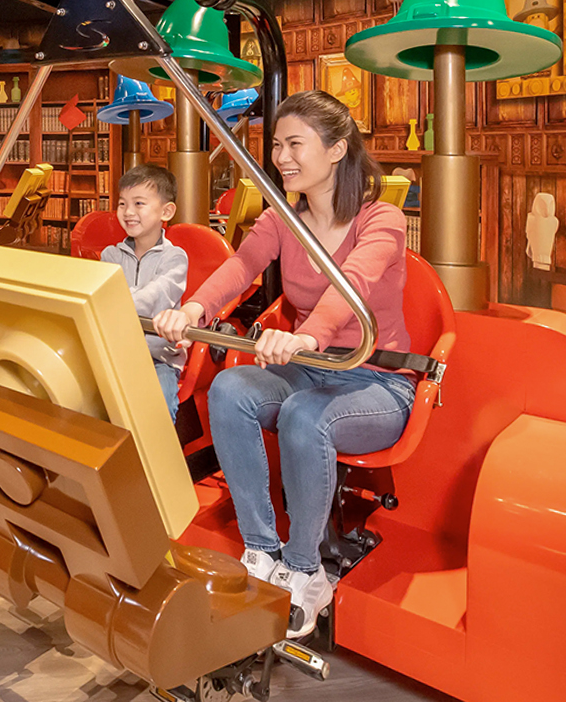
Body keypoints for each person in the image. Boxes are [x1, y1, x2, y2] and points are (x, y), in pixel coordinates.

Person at [153, 90, 416, 639]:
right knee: (230, 390)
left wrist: (306, 336)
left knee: (304, 416)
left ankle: (306, 570)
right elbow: (240, 266)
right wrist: (193, 308)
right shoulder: (281, 220)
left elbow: (356, 285)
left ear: (338, 149)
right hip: (312, 372)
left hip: (378, 380)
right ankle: (262, 551)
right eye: (276, 145)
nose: (281, 157)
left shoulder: (382, 218)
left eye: (295, 143)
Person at [100, 165, 189, 421]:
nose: (128, 212)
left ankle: (159, 460)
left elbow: (156, 297)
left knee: (158, 408)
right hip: (117, 352)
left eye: (139, 203)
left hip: (158, 358)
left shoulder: (174, 258)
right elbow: (102, 298)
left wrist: (119, 300)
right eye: (122, 204)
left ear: (166, 211)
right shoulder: (111, 255)